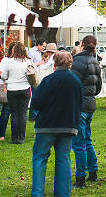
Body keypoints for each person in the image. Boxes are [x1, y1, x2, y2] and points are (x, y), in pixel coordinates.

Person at [30, 51, 82, 197]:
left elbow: (36, 102)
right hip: (67, 125)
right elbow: (79, 104)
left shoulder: (48, 80)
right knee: (63, 158)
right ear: (70, 63)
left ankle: (37, 193)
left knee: (40, 158)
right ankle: (63, 193)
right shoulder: (75, 81)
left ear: (54, 63)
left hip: (46, 125)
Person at [70, 35, 102, 188]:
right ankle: (93, 171)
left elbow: (72, 85)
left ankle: (80, 177)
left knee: (79, 143)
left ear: (82, 44)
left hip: (80, 105)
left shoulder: (77, 61)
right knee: (86, 139)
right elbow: (99, 87)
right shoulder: (95, 62)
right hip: (90, 104)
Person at [0, 41, 33, 144]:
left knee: (14, 113)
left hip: (12, 89)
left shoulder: (9, 62)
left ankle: (14, 138)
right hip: (25, 88)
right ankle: (21, 137)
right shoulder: (28, 61)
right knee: (22, 113)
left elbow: (3, 76)